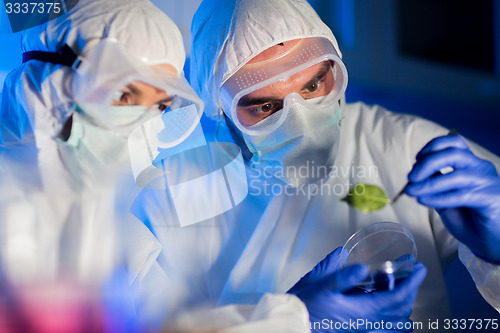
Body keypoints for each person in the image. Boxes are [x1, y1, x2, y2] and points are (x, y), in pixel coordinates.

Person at [186, 0, 500, 329]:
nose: (302, 123)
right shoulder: (183, 198)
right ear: (220, 114)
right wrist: (292, 322)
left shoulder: (404, 146)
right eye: (265, 106)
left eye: (312, 86)